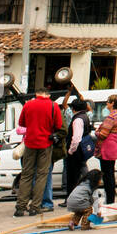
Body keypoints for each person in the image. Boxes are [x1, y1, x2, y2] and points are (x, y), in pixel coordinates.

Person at [15, 87, 62, 217]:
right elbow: (58, 125)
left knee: (26, 174)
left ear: (36, 94)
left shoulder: (28, 104)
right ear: (48, 95)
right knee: (42, 175)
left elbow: (21, 123)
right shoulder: (53, 106)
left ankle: (20, 206)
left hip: (30, 143)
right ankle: (35, 206)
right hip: (45, 143)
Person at [93, 94, 117, 205]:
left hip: (106, 148)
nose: (106, 103)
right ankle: (111, 199)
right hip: (114, 146)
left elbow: (102, 134)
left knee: (107, 175)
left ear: (112, 103)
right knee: (111, 173)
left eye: (108, 101)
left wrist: (96, 132)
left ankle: (110, 200)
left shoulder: (111, 117)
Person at [63, 97, 93, 199]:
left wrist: (71, 150)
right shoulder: (85, 116)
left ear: (74, 108)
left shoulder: (77, 119)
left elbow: (76, 138)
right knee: (79, 173)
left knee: (72, 176)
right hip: (82, 150)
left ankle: (71, 198)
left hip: (76, 151)